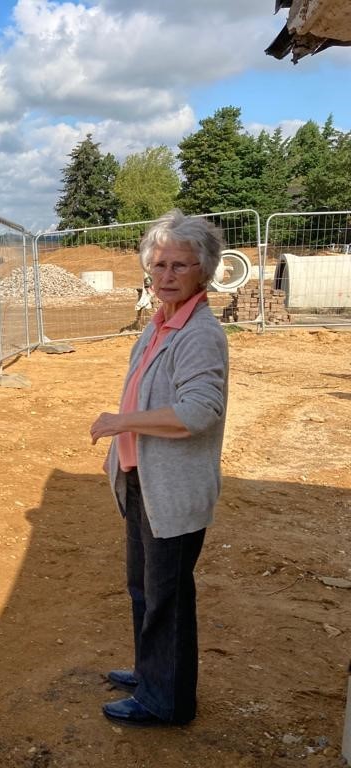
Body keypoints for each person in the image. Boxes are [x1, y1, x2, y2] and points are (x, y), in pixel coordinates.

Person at [89, 209, 229, 727]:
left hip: (171, 488)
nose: (166, 276)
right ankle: (154, 673)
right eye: (159, 265)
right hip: (144, 481)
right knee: (145, 590)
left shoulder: (198, 334)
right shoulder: (159, 325)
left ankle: (164, 700)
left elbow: (199, 411)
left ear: (204, 271)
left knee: (166, 597)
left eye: (180, 266)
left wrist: (123, 421)